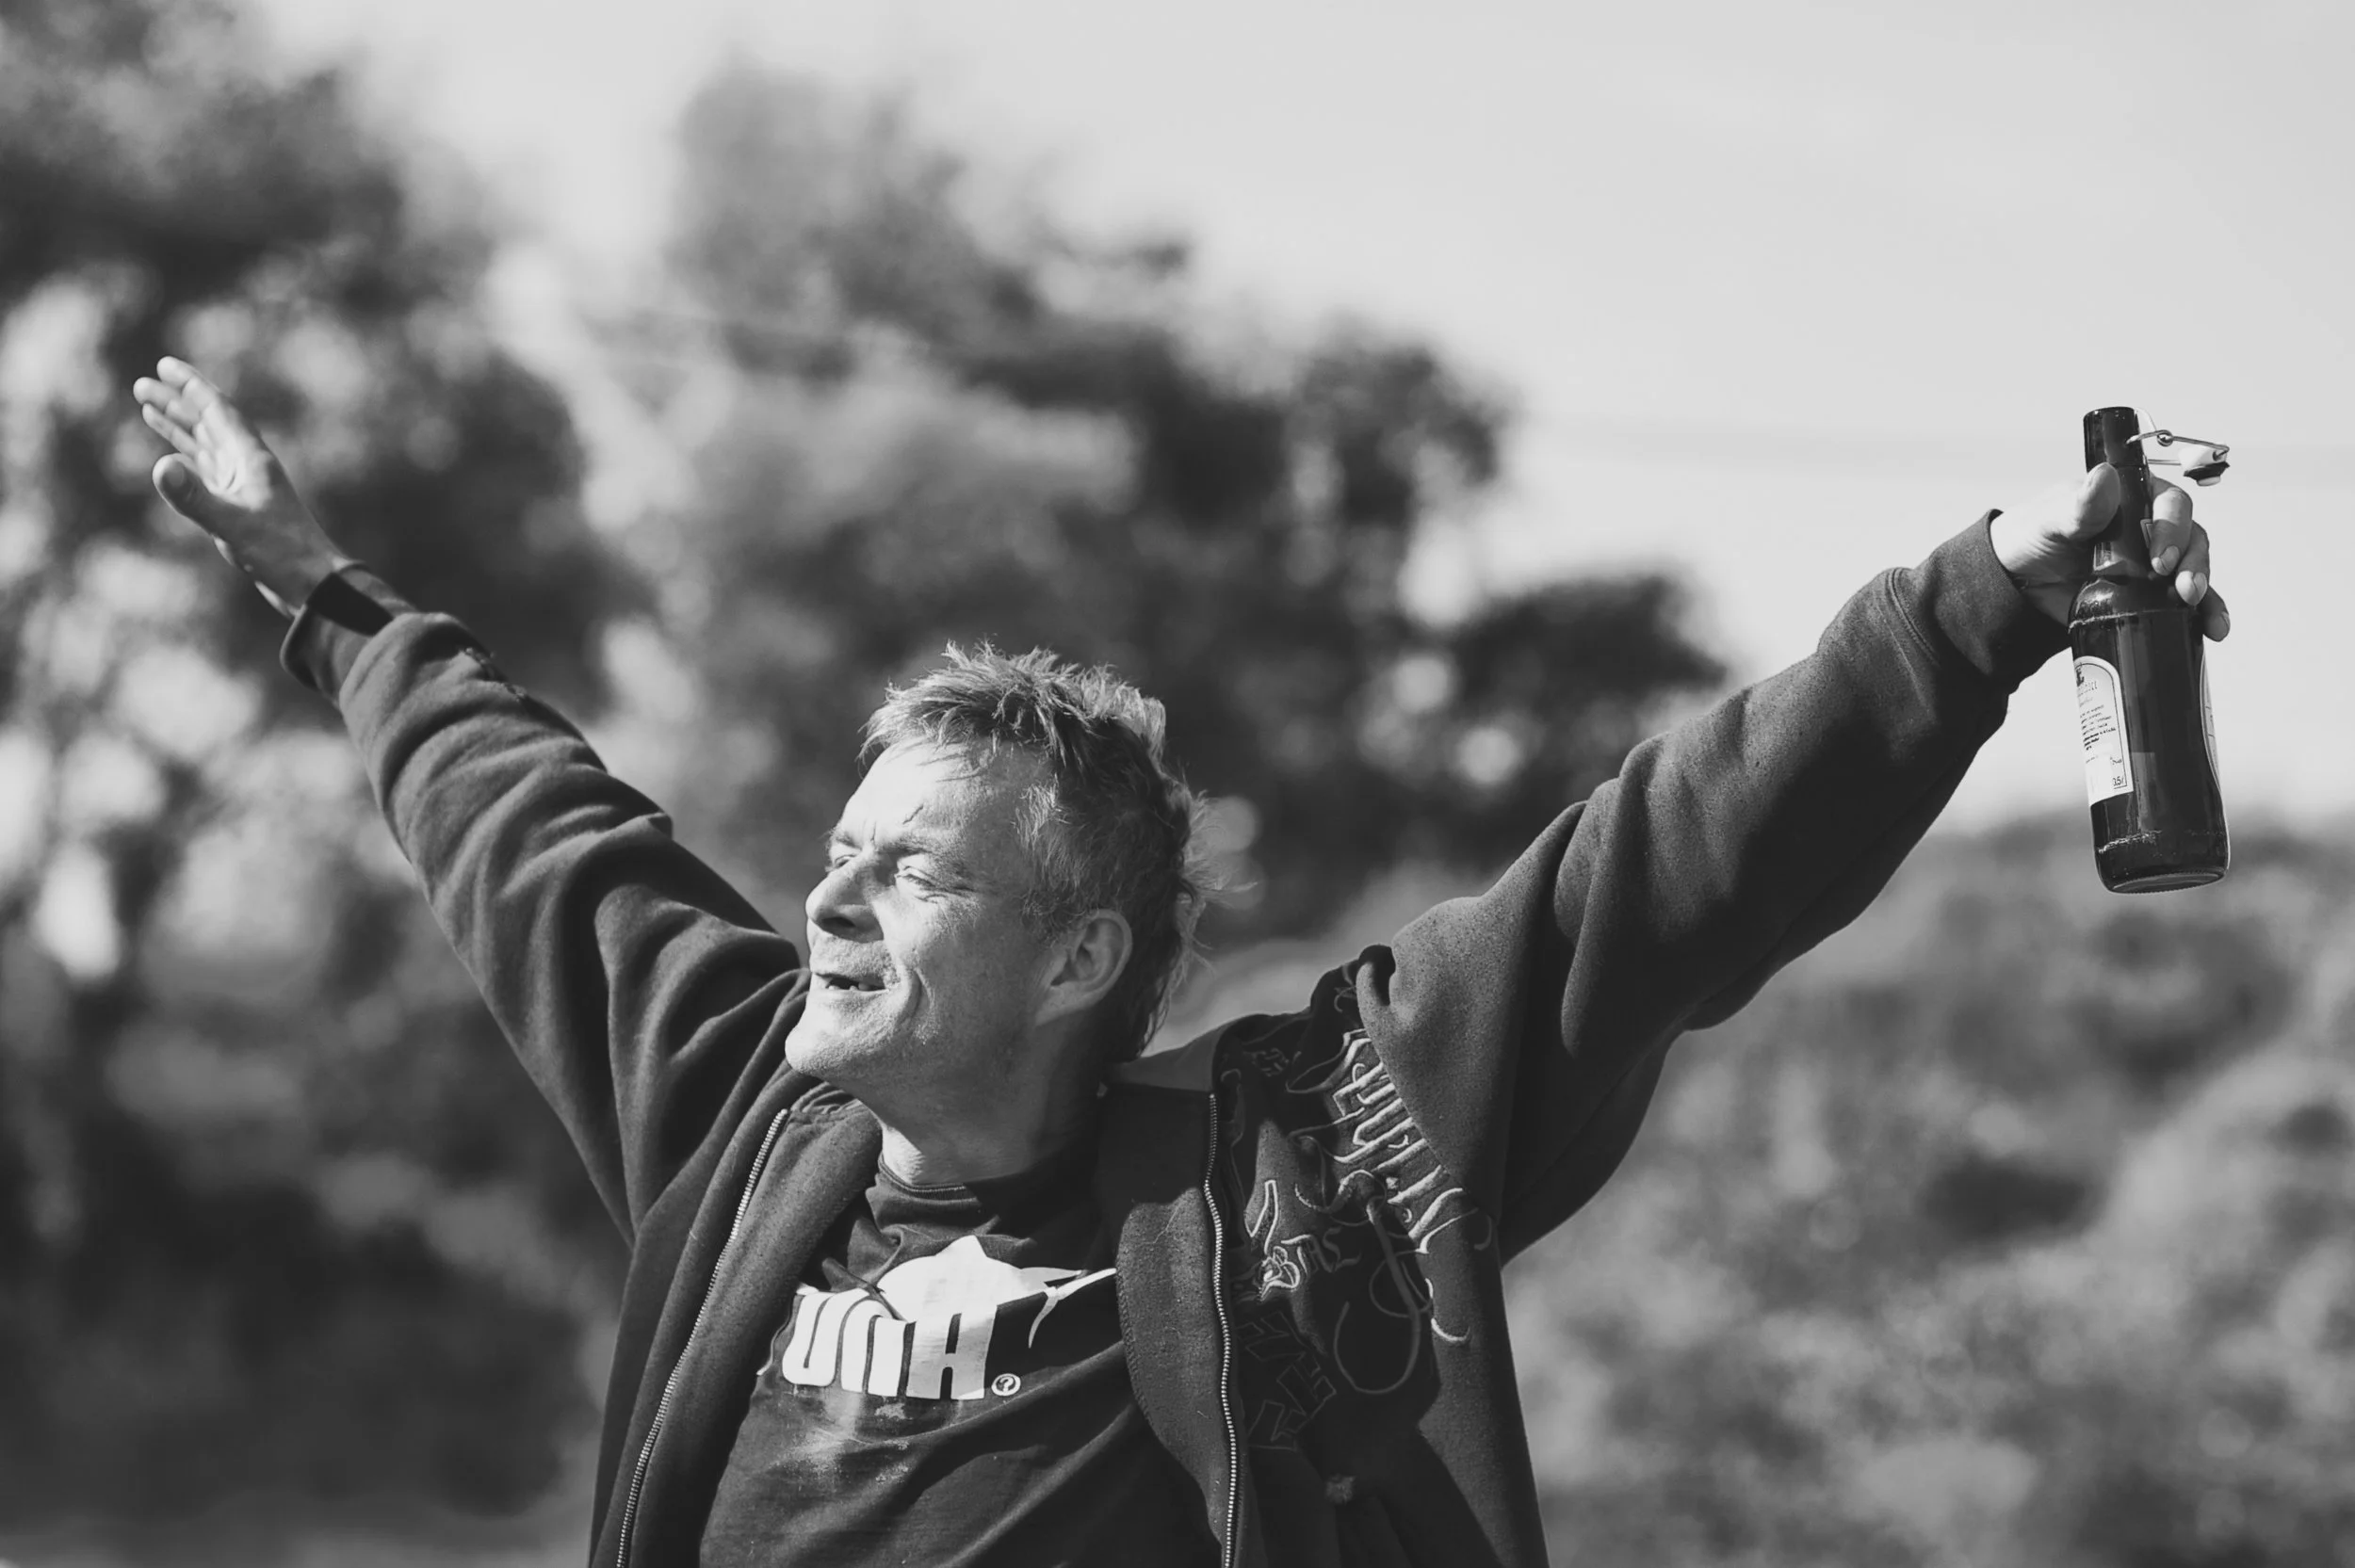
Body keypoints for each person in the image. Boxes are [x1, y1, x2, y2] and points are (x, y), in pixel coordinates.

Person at [134, 356, 2226, 1568]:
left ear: (1078, 957)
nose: (829, 907)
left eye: (910, 876)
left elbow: (1657, 873)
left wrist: (1984, 599)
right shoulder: (742, 1113)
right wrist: (322, 592)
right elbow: (533, 828)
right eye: (837, 857)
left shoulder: (1286, 1163)